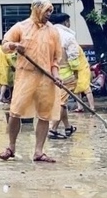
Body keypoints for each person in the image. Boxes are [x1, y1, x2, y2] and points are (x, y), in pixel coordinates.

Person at [0, 0, 62, 163]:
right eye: (46, 10)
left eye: (50, 11)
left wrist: (56, 75)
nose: (49, 14)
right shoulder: (21, 27)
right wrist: (14, 46)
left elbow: (56, 59)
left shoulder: (53, 32)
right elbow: (4, 45)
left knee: (44, 115)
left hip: (46, 77)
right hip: (25, 75)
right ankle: (11, 147)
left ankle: (39, 151)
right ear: (36, 9)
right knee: (15, 112)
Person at [47, 12, 80, 140]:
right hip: (65, 75)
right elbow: (73, 57)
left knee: (62, 101)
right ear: (66, 22)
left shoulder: (47, 35)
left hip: (48, 74)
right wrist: (76, 72)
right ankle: (52, 129)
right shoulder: (68, 36)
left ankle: (68, 127)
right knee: (61, 102)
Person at [73, 43, 95, 113]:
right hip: (77, 70)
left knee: (86, 88)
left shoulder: (75, 47)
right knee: (76, 89)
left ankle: (92, 107)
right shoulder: (72, 46)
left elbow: (73, 59)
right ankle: (80, 107)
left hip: (83, 69)